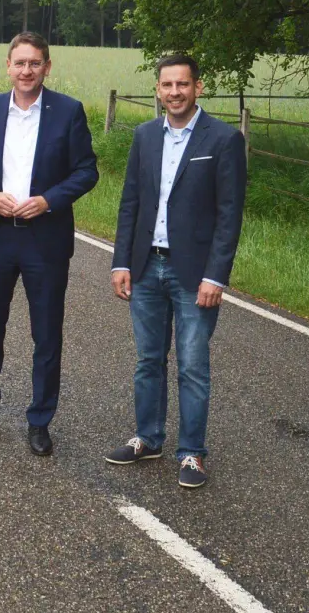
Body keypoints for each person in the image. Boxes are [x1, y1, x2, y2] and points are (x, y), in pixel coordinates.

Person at [106, 53, 247, 489]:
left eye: (182, 84)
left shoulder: (223, 139)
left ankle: (191, 453)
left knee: (192, 366)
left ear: (198, 87)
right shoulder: (145, 135)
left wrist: (215, 276)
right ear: (158, 90)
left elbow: (229, 215)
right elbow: (130, 202)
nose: (174, 92)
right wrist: (122, 261)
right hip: (146, 266)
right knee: (148, 360)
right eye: (167, 85)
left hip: (194, 274)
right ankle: (148, 438)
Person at [0, 32, 99, 456]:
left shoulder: (68, 112)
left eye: (35, 63)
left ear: (47, 67)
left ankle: (39, 420)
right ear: (8, 66)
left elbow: (86, 171)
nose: (27, 70)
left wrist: (48, 200)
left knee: (47, 334)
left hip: (45, 238)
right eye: (19, 63)